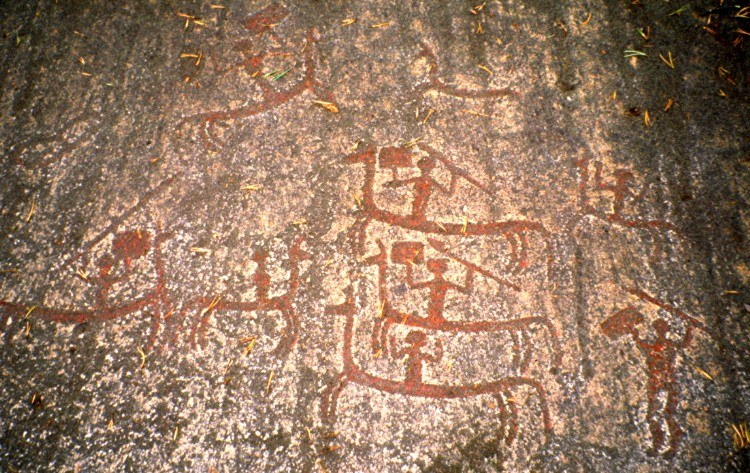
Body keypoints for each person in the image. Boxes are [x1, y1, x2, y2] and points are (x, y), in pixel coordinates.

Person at [629, 318, 694, 458]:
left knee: (668, 414)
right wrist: (632, 330)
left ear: (666, 329)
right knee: (651, 415)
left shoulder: (670, 345)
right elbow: (639, 342)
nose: (660, 330)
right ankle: (657, 443)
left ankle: (674, 444)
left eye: (662, 328)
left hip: (668, 382)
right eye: (658, 328)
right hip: (655, 383)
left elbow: (685, 343)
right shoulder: (653, 346)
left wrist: (690, 328)